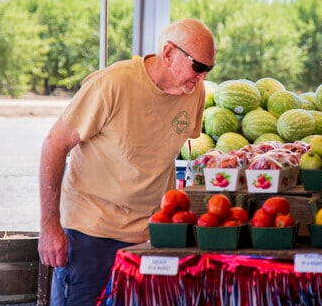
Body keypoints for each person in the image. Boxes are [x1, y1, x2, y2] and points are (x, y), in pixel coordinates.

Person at [38, 18, 216, 306]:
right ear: (169, 53)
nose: (203, 77)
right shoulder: (113, 84)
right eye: (198, 66)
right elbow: (54, 146)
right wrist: (49, 227)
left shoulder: (194, 93)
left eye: (209, 69)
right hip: (90, 234)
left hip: (150, 236)